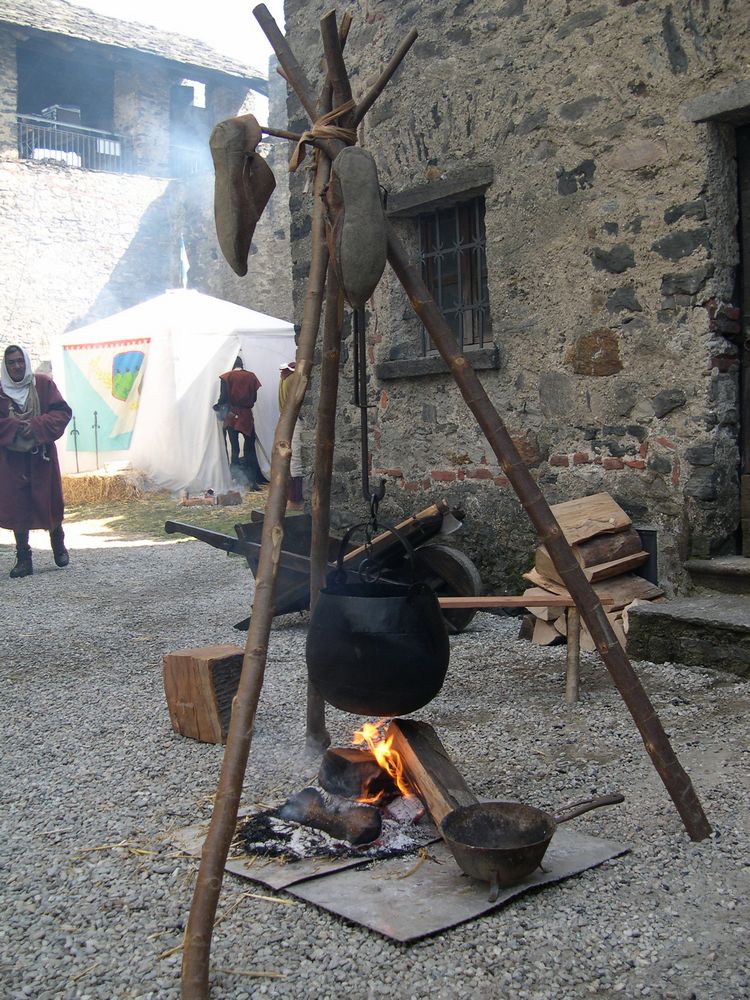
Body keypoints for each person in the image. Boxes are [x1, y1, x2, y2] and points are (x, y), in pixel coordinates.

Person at [0, 344, 72, 578]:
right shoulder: (1, 390)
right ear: (5, 366)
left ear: (26, 361)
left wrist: (36, 425)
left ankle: (58, 544)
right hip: (12, 459)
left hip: (42, 456)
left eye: (20, 361)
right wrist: (14, 427)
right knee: (18, 503)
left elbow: (62, 412)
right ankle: (23, 558)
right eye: (11, 362)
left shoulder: (42, 384)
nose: (17, 366)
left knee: (48, 498)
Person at [214, 355, 266, 490]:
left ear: (232, 365)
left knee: (235, 449)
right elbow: (254, 399)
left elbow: (223, 399)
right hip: (246, 415)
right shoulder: (251, 376)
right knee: (250, 449)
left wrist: (218, 407)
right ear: (242, 365)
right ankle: (252, 482)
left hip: (232, 415)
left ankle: (236, 480)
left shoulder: (226, 377)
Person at [278, 360, 303, 511]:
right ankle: (295, 499)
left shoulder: (285, 377)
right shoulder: (294, 378)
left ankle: (292, 498)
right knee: (296, 459)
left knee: (292, 459)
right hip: (295, 418)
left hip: (286, 418)